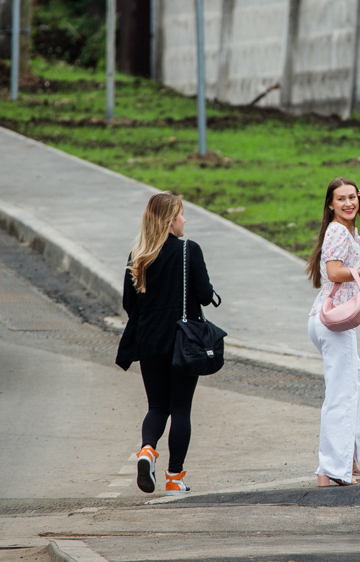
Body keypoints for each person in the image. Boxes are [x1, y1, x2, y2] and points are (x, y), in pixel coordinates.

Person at [115, 192, 217, 495]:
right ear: (170, 220)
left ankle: (147, 451)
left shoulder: (138, 255)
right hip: (182, 342)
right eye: (182, 214)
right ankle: (174, 478)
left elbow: (128, 303)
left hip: (149, 341)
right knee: (181, 410)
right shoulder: (189, 250)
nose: (185, 220)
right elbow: (203, 295)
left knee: (157, 406)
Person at [305, 177, 360, 487]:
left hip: (334, 321)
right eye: (341, 199)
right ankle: (329, 470)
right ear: (330, 204)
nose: (348, 203)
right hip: (333, 322)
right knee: (341, 394)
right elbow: (333, 272)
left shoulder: (348, 231)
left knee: (356, 385)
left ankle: (349, 459)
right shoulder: (335, 231)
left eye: (352, 198)